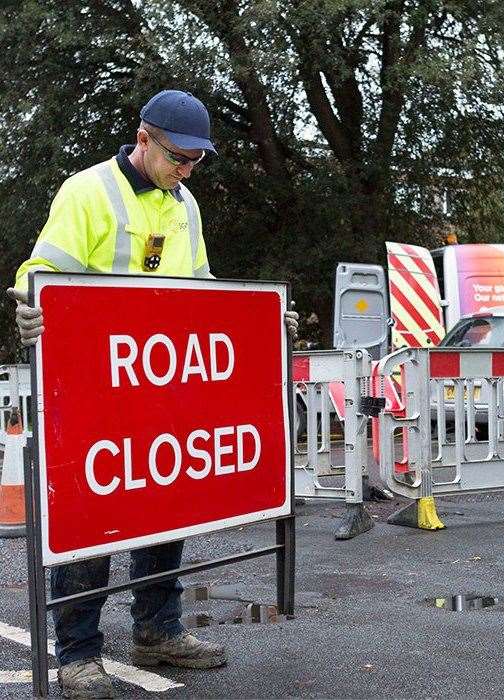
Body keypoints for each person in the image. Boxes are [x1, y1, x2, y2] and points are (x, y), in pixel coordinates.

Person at [7, 89, 299, 699]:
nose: (187, 170)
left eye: (196, 160)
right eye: (179, 157)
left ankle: (157, 632)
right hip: (93, 392)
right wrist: (30, 306)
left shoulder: (184, 204)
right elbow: (41, 270)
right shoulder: (86, 191)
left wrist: (259, 322)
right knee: (90, 521)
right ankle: (79, 653)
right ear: (144, 139)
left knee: (166, 509)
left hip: (162, 391)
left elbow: (202, 291)